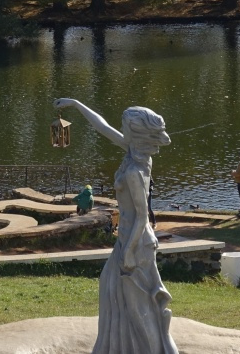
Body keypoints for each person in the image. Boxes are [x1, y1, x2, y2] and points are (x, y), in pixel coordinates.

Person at [54, 97, 179, 354]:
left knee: (138, 307)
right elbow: (102, 127)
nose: (120, 131)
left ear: (134, 134)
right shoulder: (135, 153)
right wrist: (76, 104)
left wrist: (130, 251)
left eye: (124, 127)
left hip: (137, 243)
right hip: (129, 240)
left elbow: (143, 217)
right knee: (113, 290)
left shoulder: (135, 171)